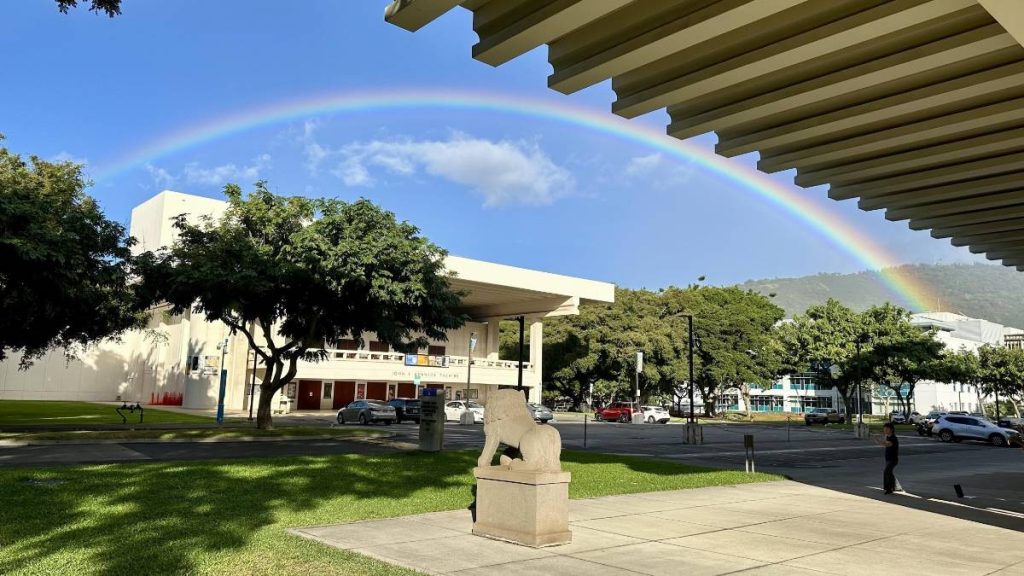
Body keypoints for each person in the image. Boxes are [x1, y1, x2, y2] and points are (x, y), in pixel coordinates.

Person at [873, 423, 900, 494]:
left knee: (886, 472)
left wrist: (877, 440)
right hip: (888, 459)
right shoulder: (888, 436)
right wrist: (877, 434)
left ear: (891, 430)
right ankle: (893, 487)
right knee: (889, 473)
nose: (885, 430)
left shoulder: (893, 438)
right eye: (884, 429)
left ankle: (888, 488)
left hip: (893, 459)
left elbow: (887, 444)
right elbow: (885, 440)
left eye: (887, 429)